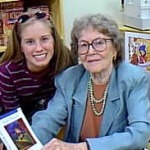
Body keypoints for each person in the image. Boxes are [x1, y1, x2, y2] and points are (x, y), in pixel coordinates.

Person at [31, 13, 150, 150]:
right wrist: (24, 143)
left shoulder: (134, 79)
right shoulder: (69, 79)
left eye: (99, 43)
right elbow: (48, 120)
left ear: (115, 48)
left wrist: (83, 147)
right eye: (84, 45)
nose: (91, 51)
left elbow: (140, 134)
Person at [0, 10, 77, 122]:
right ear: (20, 45)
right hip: (19, 120)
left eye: (44, 39)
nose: (39, 48)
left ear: (54, 40)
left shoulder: (66, 60)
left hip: (55, 118)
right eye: (30, 42)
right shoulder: (7, 72)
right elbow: (13, 119)